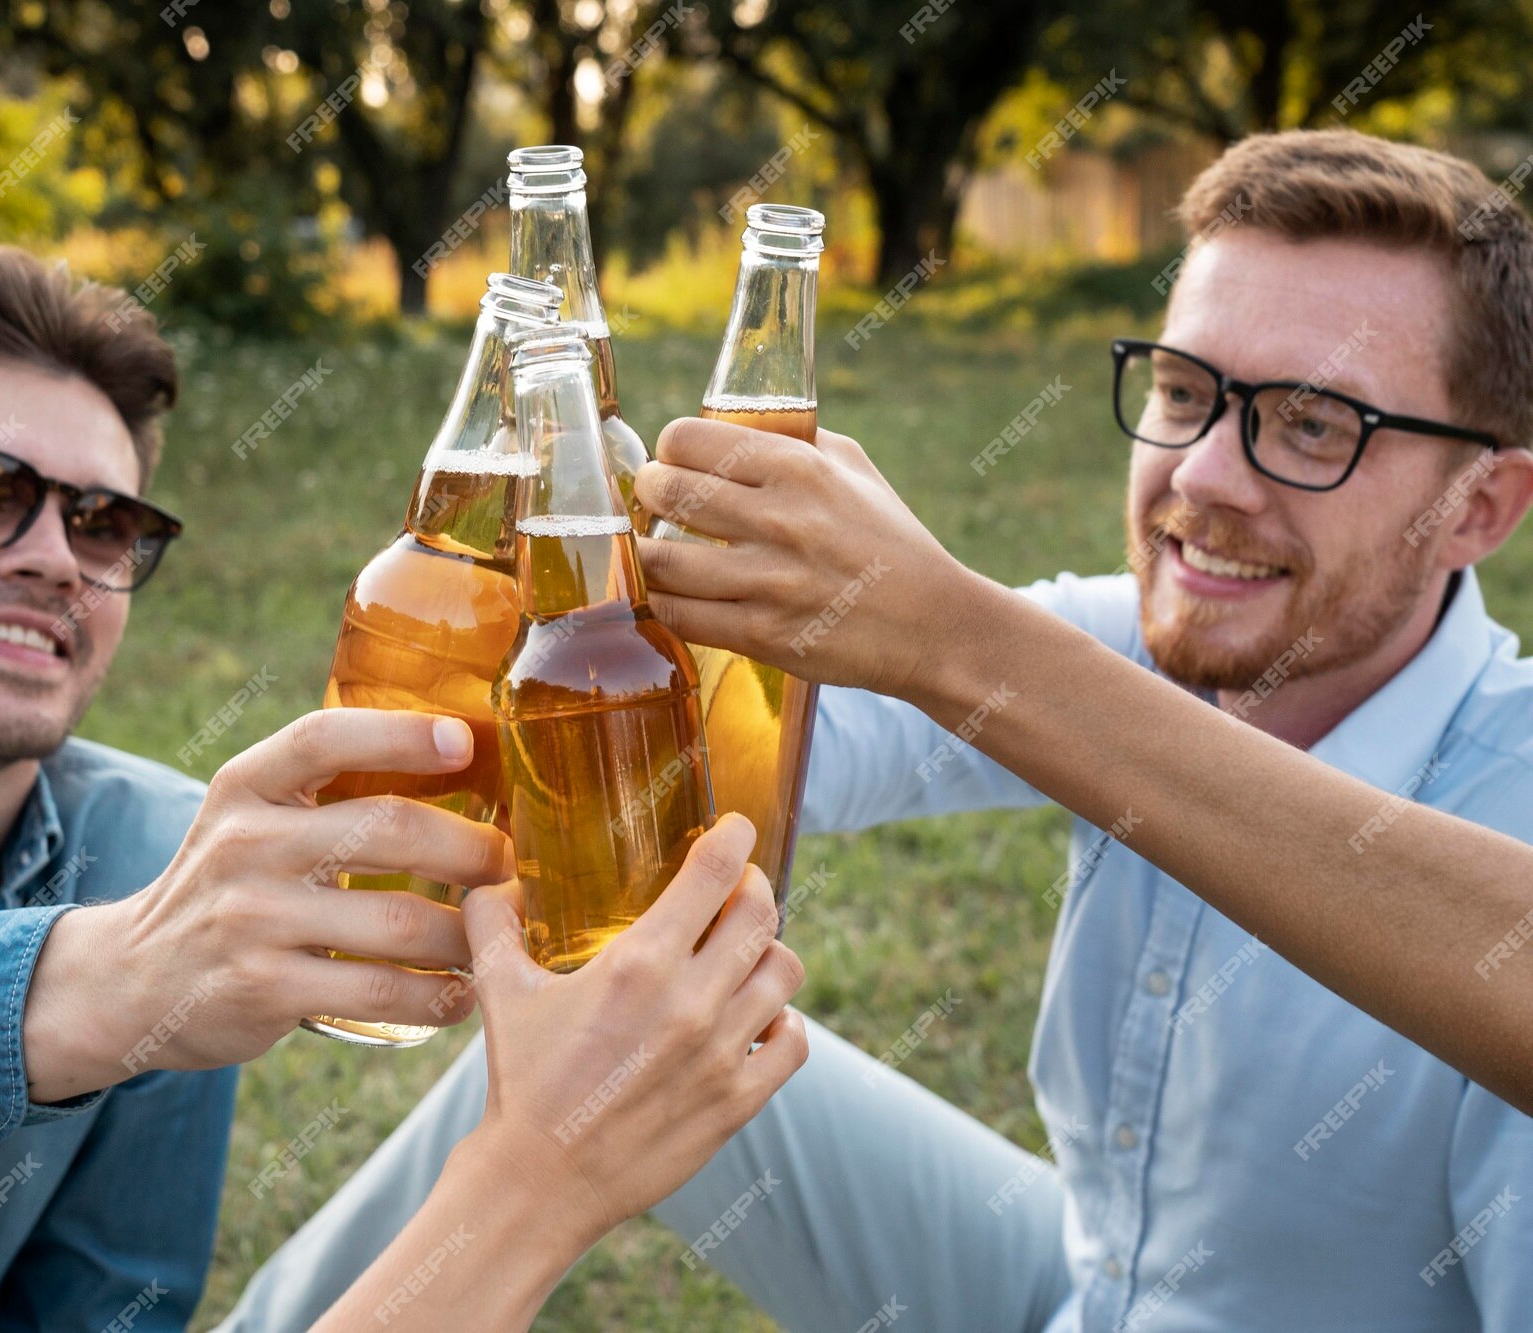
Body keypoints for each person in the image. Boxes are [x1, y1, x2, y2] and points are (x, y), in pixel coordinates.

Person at [221, 129, 1533, 1331]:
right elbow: (758, 756)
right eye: (1184, 394)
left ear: (1486, 504)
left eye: (1312, 424)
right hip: (1077, 1293)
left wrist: (958, 642)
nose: (1200, 479)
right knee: (603, 1063)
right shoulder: (1143, 651)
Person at [0, 244, 806, 1330]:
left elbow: (104, 1305)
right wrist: (105, 979)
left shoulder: (163, 850)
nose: (53, 559)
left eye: (102, 524)